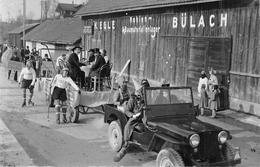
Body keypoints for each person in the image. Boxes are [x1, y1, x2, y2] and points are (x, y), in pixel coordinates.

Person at [114, 91, 143, 162]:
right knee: (128, 125)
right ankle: (126, 143)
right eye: (138, 94)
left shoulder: (145, 98)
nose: (140, 95)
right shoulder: (132, 100)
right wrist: (133, 115)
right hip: (134, 116)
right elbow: (127, 111)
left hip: (144, 116)